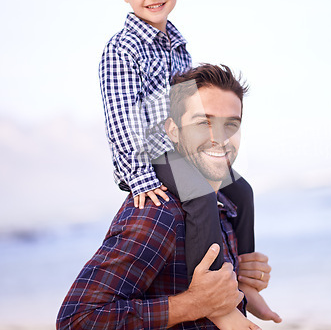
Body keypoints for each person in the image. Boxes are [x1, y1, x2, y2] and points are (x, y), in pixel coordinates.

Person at [98, 0, 278, 322]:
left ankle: (244, 286)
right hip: (149, 156)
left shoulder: (178, 45)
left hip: (182, 149)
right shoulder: (122, 49)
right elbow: (121, 118)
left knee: (241, 191)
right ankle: (219, 304)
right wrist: (141, 178)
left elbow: (189, 108)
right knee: (198, 198)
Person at [57, 64, 279, 329]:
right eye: (203, 122)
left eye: (230, 124)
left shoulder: (224, 205)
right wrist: (193, 304)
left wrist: (242, 279)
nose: (220, 138)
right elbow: (77, 320)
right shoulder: (159, 213)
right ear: (173, 131)